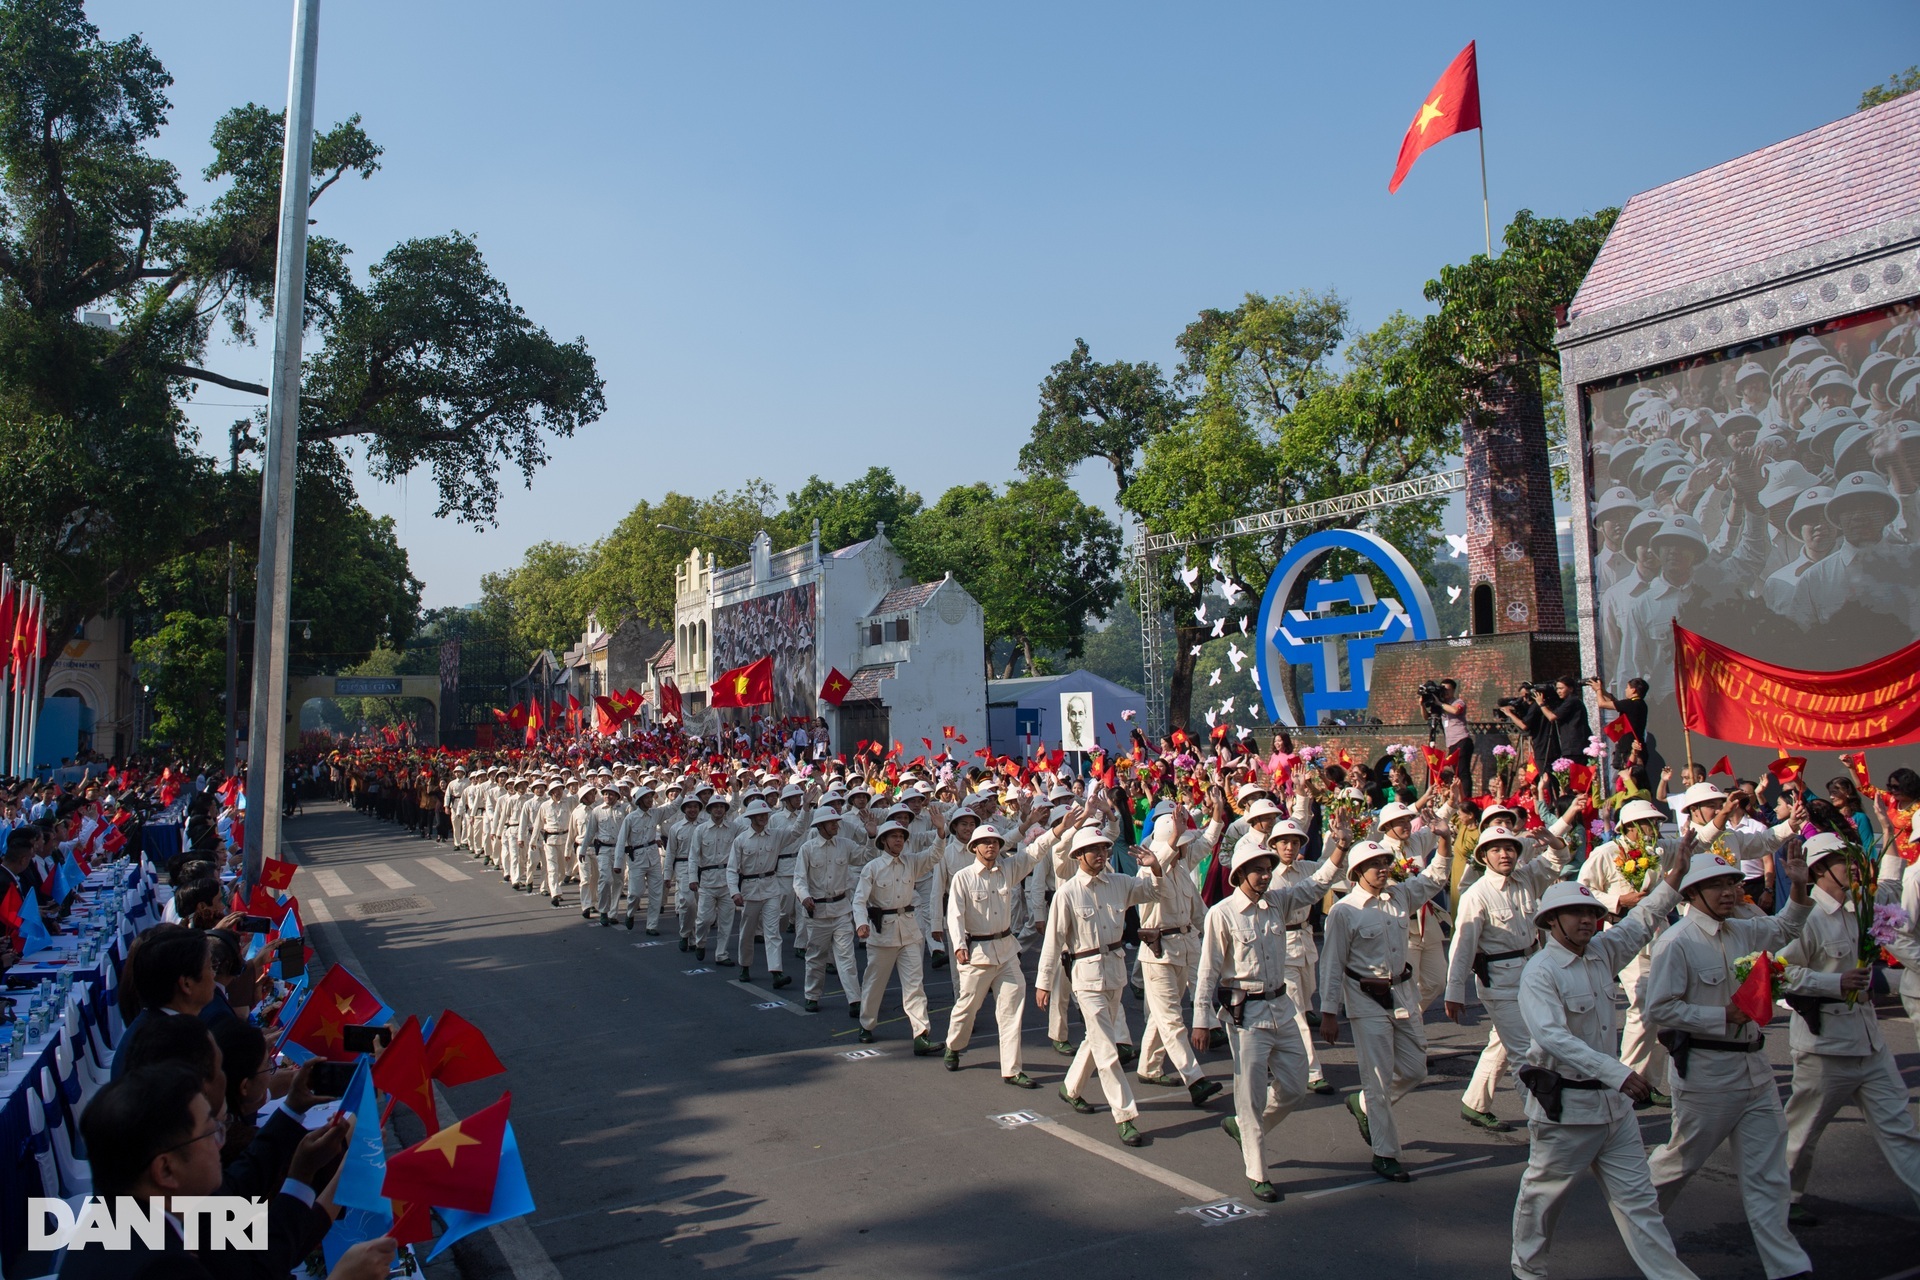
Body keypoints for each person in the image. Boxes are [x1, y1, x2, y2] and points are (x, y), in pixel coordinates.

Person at [1511, 852, 1694, 1280]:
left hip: (1614, 1112)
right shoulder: (1540, 972)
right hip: (1567, 1112)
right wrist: (1619, 1072)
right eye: (1574, 913)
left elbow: (1642, 919)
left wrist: (1676, 876)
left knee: (1640, 1206)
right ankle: (1527, 1272)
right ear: (1550, 922)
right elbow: (1553, 1038)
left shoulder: (1603, 953)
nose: (1587, 920)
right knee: (1542, 1201)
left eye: (1592, 912)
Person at [1644, 847, 1813, 1279]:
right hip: (1706, 1073)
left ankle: (1788, 1267)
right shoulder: (1676, 942)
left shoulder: (1741, 930)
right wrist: (1721, 1016)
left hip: (1755, 1072)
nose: (1727, 892)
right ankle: (1636, 1217)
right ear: (1692, 894)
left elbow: (1785, 927)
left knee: (1768, 1176)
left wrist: (1797, 886)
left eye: (1731, 883)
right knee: (1680, 1162)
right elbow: (1660, 1009)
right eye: (1716, 885)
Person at [64, 1063, 397, 1280]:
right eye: (211, 1132)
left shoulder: (127, 1217)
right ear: (166, 1169)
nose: (220, 1144)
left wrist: (321, 1169)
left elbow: (269, 1252)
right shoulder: (161, 1268)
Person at [1190, 817, 1349, 1202]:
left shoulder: (1279, 900)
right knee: (1250, 1094)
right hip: (1246, 1014)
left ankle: (1246, 1127)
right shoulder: (1222, 914)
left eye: (1267, 869)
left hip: (1283, 1006)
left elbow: (1315, 886)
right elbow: (1208, 971)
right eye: (1258, 870)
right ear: (1241, 873)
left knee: (1294, 1087)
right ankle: (1258, 1170)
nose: (1265, 876)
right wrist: (1201, 1020)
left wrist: (1340, 849)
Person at [1778, 833, 1920, 1217]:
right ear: (1820, 870)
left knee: (1902, 1132)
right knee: (1801, 1135)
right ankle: (1778, 1206)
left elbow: (1890, 885)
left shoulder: (1861, 905)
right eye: (1843, 860)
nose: (1854, 866)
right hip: (1825, 1048)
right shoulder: (1804, 916)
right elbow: (1779, 972)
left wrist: (1887, 829)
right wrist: (1833, 983)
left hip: (1870, 1044)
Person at [1318, 834, 1452, 1182]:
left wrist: (1444, 841)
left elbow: (1436, 877)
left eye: (1384, 864)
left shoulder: (1400, 896)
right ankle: (1385, 1152)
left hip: (1403, 994)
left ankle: (1363, 1105)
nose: (1381, 870)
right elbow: (1332, 964)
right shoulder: (1344, 912)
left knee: (1415, 1070)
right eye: (1373, 866)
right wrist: (1330, 1013)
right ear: (1357, 872)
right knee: (1376, 1078)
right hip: (1365, 998)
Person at [1036, 827, 1165, 1148]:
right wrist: (1043, 982)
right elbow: (1053, 941)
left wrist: (1156, 866)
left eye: (1104, 848)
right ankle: (1125, 1115)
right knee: (1107, 1049)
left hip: (1115, 970)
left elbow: (1152, 892)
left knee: (1096, 1039)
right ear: (1078, 855)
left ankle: (1071, 1088)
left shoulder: (1119, 882)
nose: (1100, 854)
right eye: (1092, 849)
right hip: (1085, 975)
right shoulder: (1067, 893)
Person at [1446, 825, 1569, 1132]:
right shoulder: (1477, 895)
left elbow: (1557, 859)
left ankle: (1475, 1104)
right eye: (1496, 849)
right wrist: (1454, 991)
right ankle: (1542, 1124)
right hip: (1500, 983)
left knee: (1503, 1043)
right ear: (1483, 856)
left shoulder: (1526, 877)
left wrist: (1553, 840)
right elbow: (1462, 947)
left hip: (1534, 976)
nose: (1505, 854)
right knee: (1525, 1054)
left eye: (1510, 848)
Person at [941, 823, 1043, 1086]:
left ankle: (1012, 1069)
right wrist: (959, 945)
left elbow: (1035, 851)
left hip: (1006, 951)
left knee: (1011, 1009)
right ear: (974, 847)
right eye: (985, 842)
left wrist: (1061, 828)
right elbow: (955, 915)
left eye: (995, 842)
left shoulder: (1008, 870)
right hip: (976, 953)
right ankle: (954, 1045)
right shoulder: (963, 877)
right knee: (967, 1007)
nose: (991, 846)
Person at [1130, 816, 1218, 1105]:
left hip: (1183, 948)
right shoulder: (1148, 871)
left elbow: (1197, 911)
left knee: (1161, 1014)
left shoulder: (1180, 870)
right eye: (1178, 844)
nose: (1182, 850)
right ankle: (1194, 1079)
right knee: (1172, 1018)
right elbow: (1156, 872)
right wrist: (1168, 844)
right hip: (1158, 953)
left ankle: (1149, 1066)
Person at [852, 819, 943, 1053]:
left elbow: (933, 855)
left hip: (910, 930)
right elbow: (860, 900)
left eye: (901, 836)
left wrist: (941, 832)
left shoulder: (910, 863)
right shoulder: (872, 867)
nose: (899, 840)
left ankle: (921, 1033)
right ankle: (867, 1024)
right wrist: (861, 924)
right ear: (883, 841)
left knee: (914, 984)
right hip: (882, 933)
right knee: (875, 982)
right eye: (893, 836)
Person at [794, 808, 863, 1015]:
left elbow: (866, 856)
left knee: (847, 957)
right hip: (817, 911)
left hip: (841, 910)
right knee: (816, 957)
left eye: (836, 822)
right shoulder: (807, 849)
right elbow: (799, 879)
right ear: (820, 826)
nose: (836, 825)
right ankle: (812, 996)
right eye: (831, 822)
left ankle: (855, 1000)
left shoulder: (846, 845)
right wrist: (804, 896)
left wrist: (871, 835)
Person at [727, 798, 789, 987]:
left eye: (766, 814)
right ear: (751, 817)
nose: (763, 817)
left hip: (771, 887)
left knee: (772, 931)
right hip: (749, 889)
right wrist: (734, 892)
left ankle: (776, 972)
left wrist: (804, 808)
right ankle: (745, 965)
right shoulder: (741, 840)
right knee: (747, 931)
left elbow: (797, 831)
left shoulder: (776, 835)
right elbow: (731, 869)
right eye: (760, 815)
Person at [691, 793, 740, 965]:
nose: (719, 809)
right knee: (704, 919)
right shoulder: (701, 830)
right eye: (715, 807)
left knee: (726, 921)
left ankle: (721, 954)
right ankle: (700, 942)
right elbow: (694, 856)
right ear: (709, 809)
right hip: (707, 880)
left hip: (728, 880)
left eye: (722, 807)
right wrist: (692, 878)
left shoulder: (733, 828)